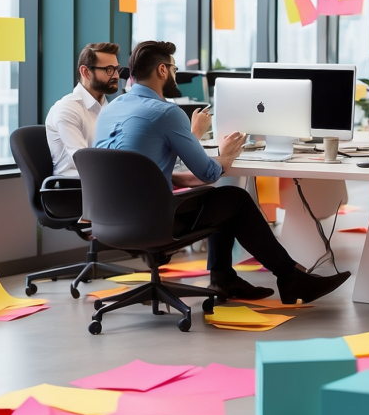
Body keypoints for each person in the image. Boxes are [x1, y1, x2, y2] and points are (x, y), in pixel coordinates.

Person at [93, 40, 349, 305]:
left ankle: (225, 277)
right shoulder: (167, 112)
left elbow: (133, 170)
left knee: (219, 199)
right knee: (233, 199)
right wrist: (227, 153)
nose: (175, 74)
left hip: (108, 221)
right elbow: (208, 172)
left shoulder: (109, 111)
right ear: (161, 70)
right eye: (173, 68)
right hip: (153, 221)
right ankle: (289, 277)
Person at [45, 42, 122, 177]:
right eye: (109, 69)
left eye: (117, 69)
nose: (116, 76)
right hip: (73, 188)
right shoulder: (67, 109)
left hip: (102, 182)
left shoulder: (108, 108)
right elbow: (85, 162)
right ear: (85, 72)